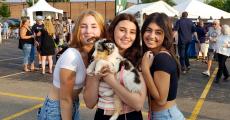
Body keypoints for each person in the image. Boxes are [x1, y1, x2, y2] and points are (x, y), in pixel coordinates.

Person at [37, 10, 105, 120]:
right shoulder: (71, 56)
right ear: (78, 30)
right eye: (83, 26)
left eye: (94, 26)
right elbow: (65, 99)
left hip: (72, 105)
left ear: (101, 31)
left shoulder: (92, 55)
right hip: (57, 109)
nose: (88, 31)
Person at [83, 13, 146, 120]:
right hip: (102, 116)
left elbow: (138, 104)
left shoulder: (138, 59)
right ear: (112, 30)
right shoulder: (99, 53)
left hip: (130, 117)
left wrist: (111, 81)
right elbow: (89, 103)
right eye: (122, 30)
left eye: (132, 32)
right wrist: (96, 76)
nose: (127, 36)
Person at [141, 13, 185, 120]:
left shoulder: (162, 58)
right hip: (162, 114)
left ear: (165, 35)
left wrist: (145, 70)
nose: (152, 36)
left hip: (165, 116)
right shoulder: (155, 55)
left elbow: (161, 100)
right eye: (148, 30)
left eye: (158, 32)